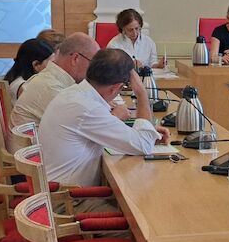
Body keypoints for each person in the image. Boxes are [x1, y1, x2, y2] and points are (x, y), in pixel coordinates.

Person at [39, 49, 170, 213]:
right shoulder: (88, 108)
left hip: (61, 193)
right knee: (139, 219)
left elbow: (107, 128)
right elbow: (143, 145)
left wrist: (148, 132)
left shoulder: (76, 94)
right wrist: (141, 93)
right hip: (67, 203)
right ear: (116, 88)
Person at [11, 33, 100, 127]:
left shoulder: (53, 78)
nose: (94, 69)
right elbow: (87, 126)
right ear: (75, 58)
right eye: (93, 63)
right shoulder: (52, 87)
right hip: (32, 137)